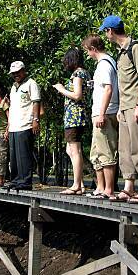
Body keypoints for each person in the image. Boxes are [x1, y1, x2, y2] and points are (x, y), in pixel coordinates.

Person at [101, 15, 138, 203]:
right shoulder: (121, 52)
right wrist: (120, 108)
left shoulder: (136, 48)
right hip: (124, 107)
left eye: (105, 31)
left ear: (110, 31)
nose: (106, 36)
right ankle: (128, 187)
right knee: (125, 149)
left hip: (136, 105)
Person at [81, 34, 119, 199]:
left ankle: (108, 189)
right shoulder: (108, 63)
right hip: (100, 112)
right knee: (96, 152)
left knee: (106, 152)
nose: (87, 54)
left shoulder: (104, 65)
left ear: (93, 49)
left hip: (105, 112)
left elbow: (109, 89)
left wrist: (102, 113)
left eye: (87, 51)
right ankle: (101, 187)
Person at [53, 48, 91, 195]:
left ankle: (76, 185)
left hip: (74, 116)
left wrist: (61, 89)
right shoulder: (84, 72)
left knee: (75, 151)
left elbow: (77, 95)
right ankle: (80, 183)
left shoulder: (77, 74)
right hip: (76, 116)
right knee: (71, 149)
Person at [6, 61, 41, 191]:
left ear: (23, 70)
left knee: (24, 155)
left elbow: (36, 102)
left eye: (18, 72)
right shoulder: (13, 87)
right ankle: (15, 180)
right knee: (14, 156)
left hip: (26, 124)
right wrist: (8, 126)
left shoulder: (31, 83)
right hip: (14, 126)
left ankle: (25, 182)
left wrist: (35, 120)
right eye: (13, 73)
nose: (16, 75)